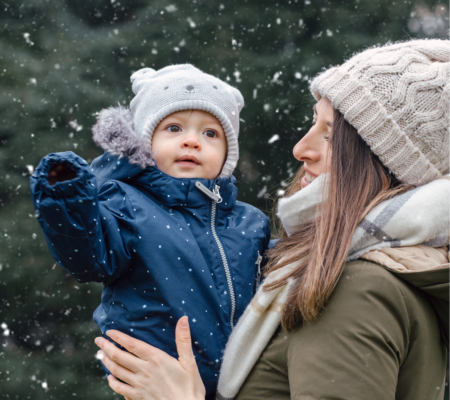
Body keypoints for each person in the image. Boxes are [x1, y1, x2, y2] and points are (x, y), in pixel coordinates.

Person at [94, 39, 450, 400]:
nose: (301, 148)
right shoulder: (394, 272)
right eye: (313, 122)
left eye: (329, 135)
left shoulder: (355, 290)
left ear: (384, 163)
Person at [30, 64, 271, 398]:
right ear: (145, 142)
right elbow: (86, 256)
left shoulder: (251, 222)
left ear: (229, 154)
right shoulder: (128, 205)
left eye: (210, 133)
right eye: (174, 127)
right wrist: (67, 194)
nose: (192, 141)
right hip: (153, 383)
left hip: (244, 385)